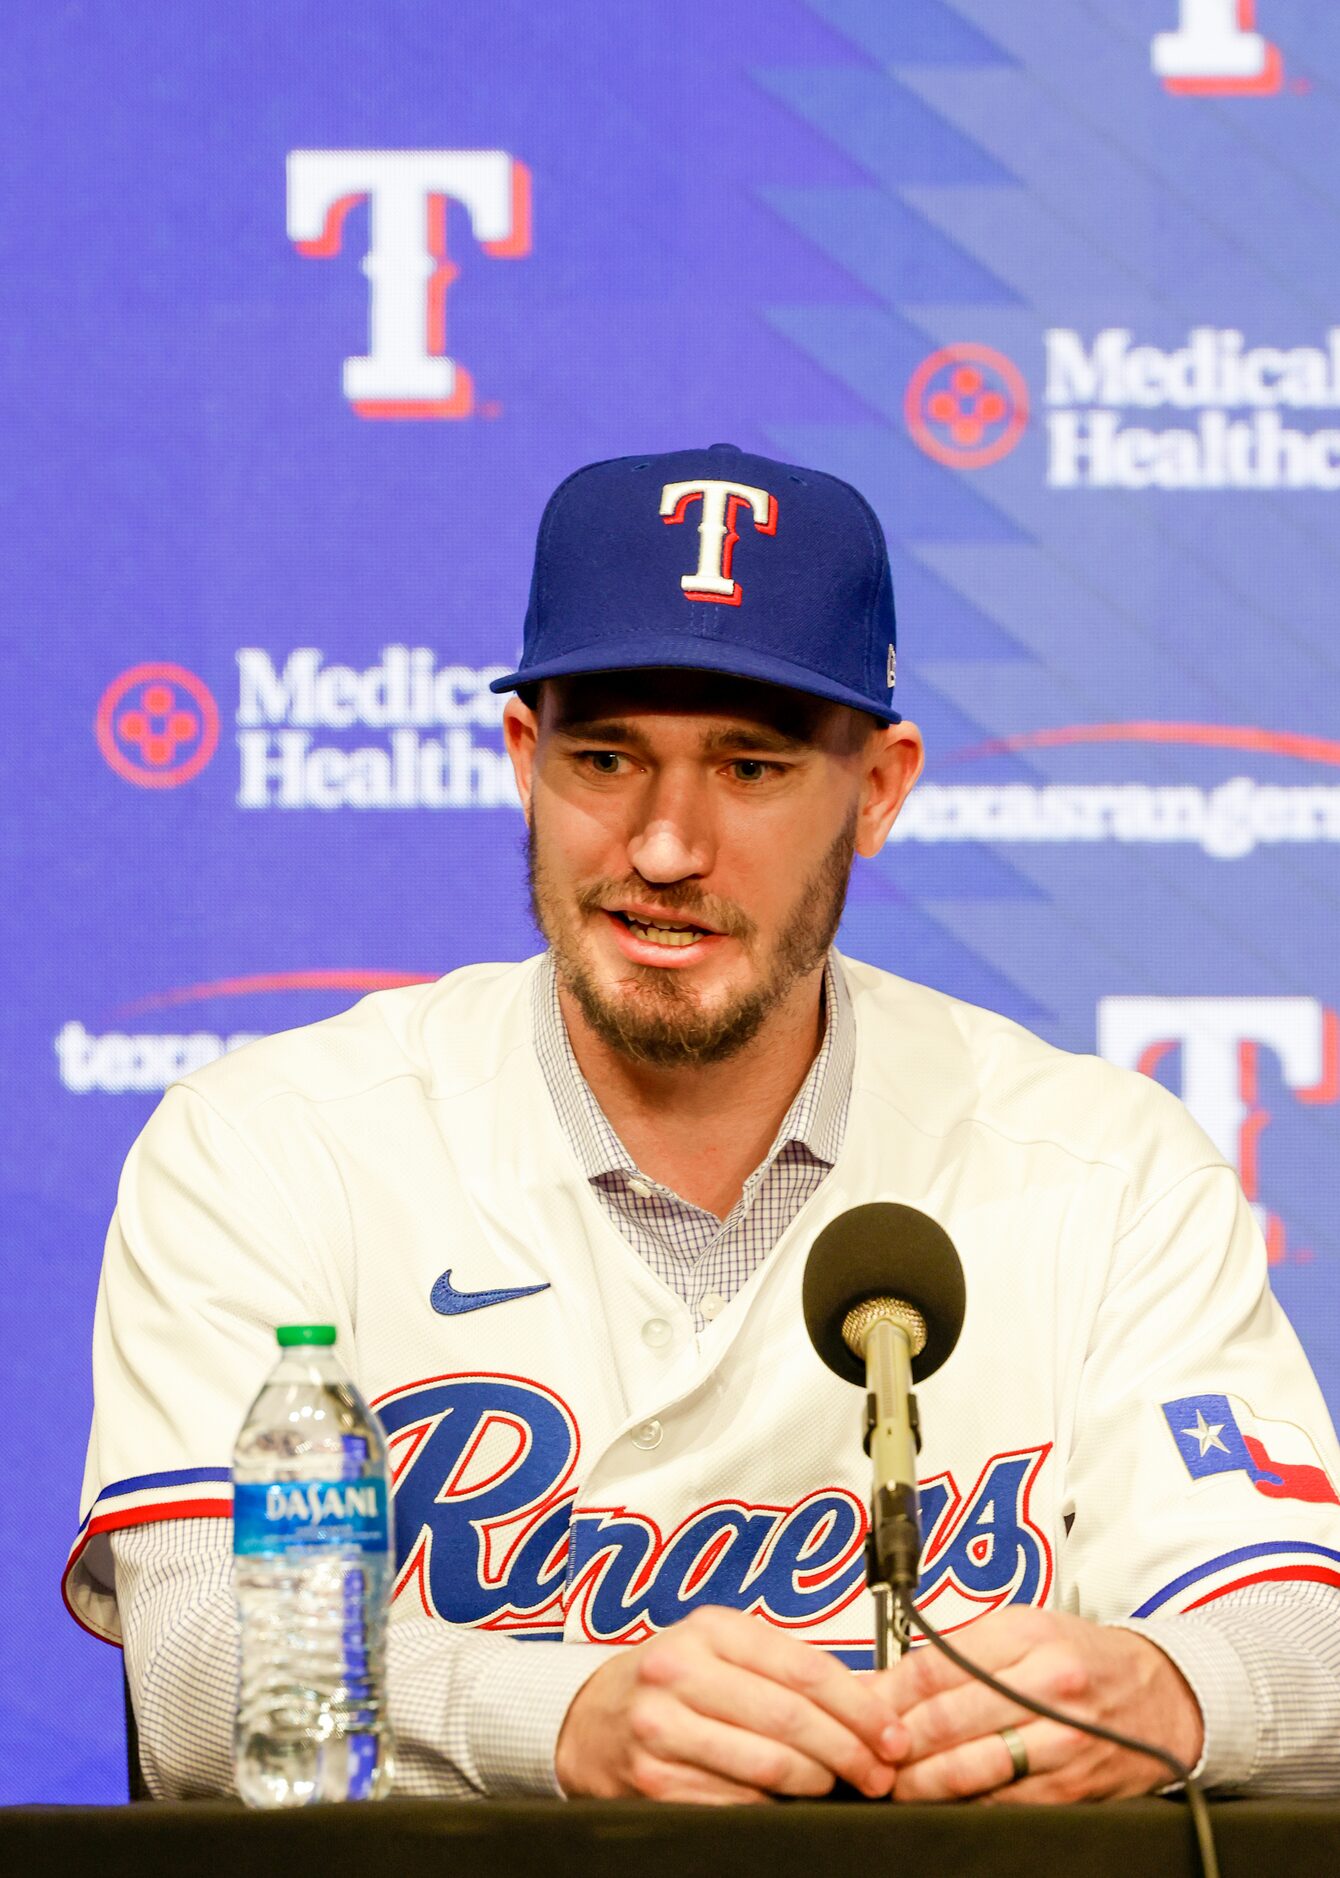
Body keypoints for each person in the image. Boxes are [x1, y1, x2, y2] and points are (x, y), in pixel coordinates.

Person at [68, 445, 1340, 1805]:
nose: (665, 847)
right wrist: (560, 1718)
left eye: (750, 767)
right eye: (607, 757)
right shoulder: (272, 1142)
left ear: (880, 789)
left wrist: (1172, 1692)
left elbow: (1300, 1630)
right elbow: (199, 1669)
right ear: (523, 759)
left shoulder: (1108, 1169)